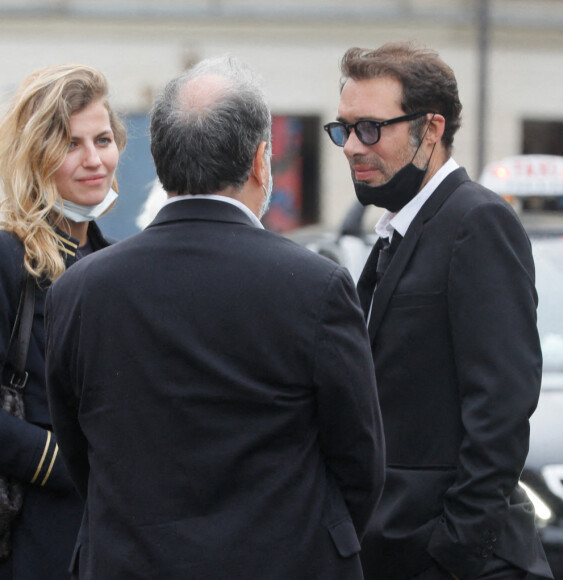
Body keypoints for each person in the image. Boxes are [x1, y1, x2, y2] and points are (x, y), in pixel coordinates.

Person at [44, 55, 385, 580]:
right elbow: (360, 462)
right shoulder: (316, 287)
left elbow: (80, 453)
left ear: (160, 160)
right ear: (259, 162)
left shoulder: (79, 292)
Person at [324, 41, 553, 580]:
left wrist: (454, 550)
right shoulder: (394, 234)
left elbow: (501, 408)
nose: (352, 146)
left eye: (371, 129)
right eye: (344, 129)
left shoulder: (477, 221)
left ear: (431, 129)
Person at [0, 63, 126, 579]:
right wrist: (64, 460)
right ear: (37, 154)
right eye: (72, 144)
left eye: (103, 139)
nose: (94, 160)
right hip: (33, 538)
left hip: (110, 539)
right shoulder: (9, 254)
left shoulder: (115, 260)